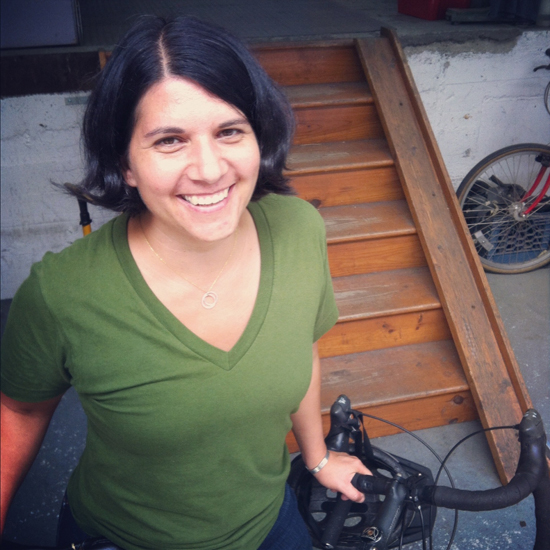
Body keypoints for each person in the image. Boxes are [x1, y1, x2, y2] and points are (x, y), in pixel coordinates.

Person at [0, 16, 370, 550]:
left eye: (229, 131)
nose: (209, 169)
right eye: (170, 140)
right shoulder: (62, 292)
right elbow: (19, 409)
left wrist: (316, 458)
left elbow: (304, 347)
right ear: (125, 163)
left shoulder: (298, 229)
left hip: (270, 524)